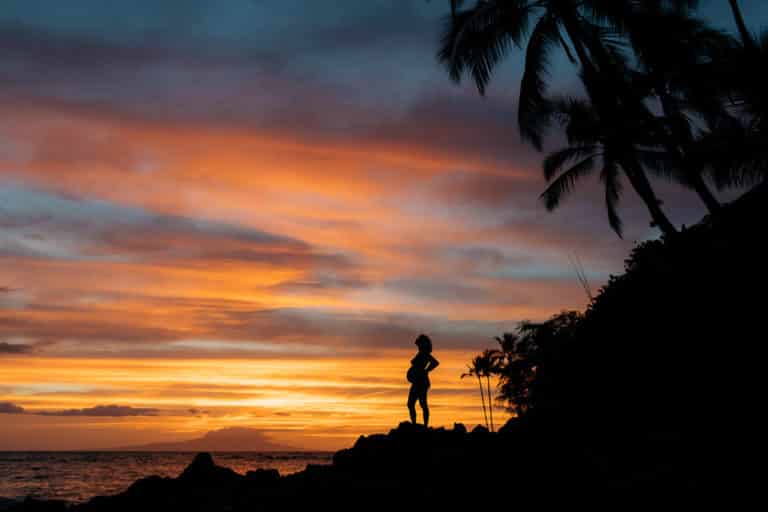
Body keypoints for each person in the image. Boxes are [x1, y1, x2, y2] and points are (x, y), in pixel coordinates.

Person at [407, 334, 439, 427]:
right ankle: (416, 424)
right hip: (418, 382)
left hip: (421, 382)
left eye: (419, 344)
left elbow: (435, 363)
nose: (417, 346)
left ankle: (424, 426)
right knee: (412, 404)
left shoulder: (424, 354)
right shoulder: (421, 353)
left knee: (421, 403)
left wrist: (426, 370)